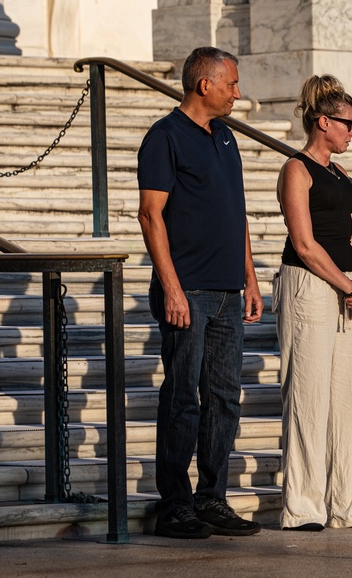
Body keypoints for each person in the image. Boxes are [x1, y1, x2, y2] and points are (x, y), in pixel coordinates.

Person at [137, 46, 263, 539]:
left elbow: (238, 214)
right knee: (182, 398)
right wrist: (171, 287)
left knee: (224, 399)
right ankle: (174, 504)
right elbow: (151, 216)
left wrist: (249, 278)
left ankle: (212, 499)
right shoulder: (164, 137)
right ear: (203, 85)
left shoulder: (226, 137)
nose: (237, 92)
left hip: (228, 291)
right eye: (231, 83)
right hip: (187, 289)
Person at [273, 74, 352, 531]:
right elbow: (304, 242)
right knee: (307, 397)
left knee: (347, 400)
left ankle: (343, 506)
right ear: (322, 122)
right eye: (347, 123)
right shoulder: (296, 168)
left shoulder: (340, 172)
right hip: (309, 287)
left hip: (345, 288)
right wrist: (345, 285)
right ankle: (302, 508)